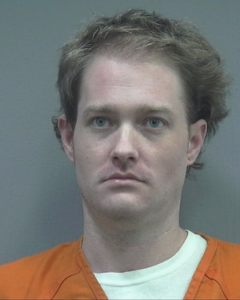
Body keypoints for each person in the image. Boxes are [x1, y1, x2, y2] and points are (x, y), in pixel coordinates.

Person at [0, 9, 239, 300]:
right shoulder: (10, 289)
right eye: (102, 121)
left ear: (192, 142)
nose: (124, 149)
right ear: (69, 138)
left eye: (153, 122)